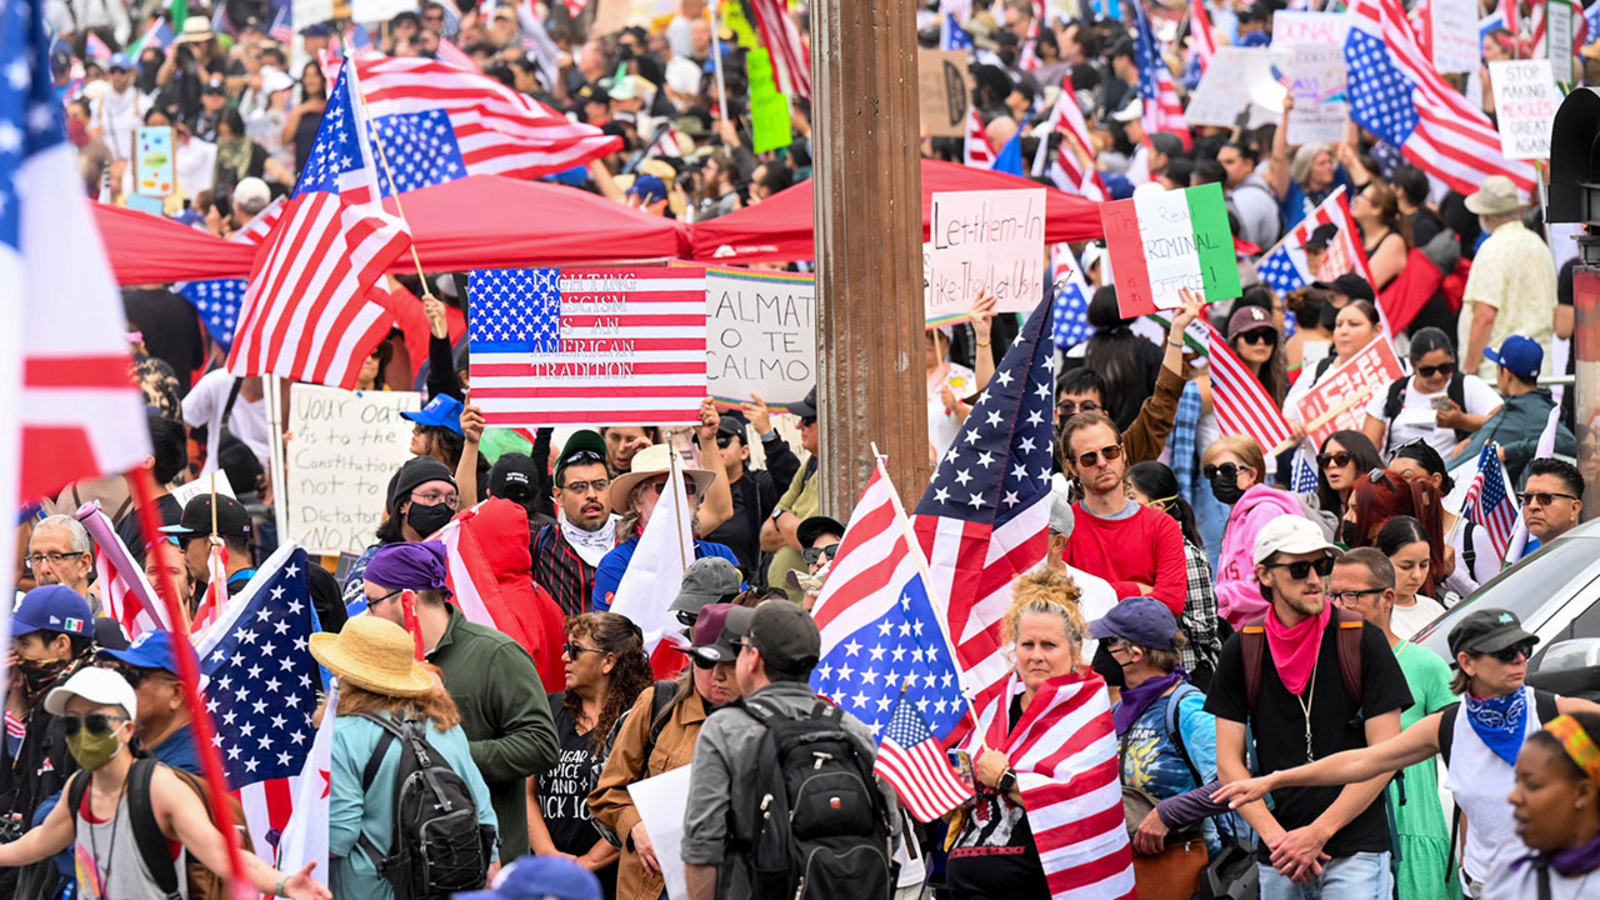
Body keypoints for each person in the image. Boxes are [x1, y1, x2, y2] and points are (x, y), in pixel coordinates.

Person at [1212, 608, 1600, 896]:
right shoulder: (1448, 727)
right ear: (1467, 662)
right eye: (1504, 652)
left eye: (1523, 649)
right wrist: (1275, 780)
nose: (1519, 660)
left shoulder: (1558, 717)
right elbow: (1363, 761)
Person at [1205, 516, 1411, 898]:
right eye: (1299, 569)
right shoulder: (1244, 647)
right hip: (1280, 852)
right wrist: (1279, 840)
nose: (1316, 579)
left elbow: (1386, 756)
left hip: (1355, 846)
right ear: (1265, 574)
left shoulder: (1361, 639)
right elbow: (1228, 764)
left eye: (1322, 565)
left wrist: (1317, 833)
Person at [0, 668, 332, 900]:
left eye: (97, 722)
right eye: (72, 725)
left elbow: (223, 854)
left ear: (127, 729)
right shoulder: (79, 789)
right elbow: (40, 842)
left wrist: (284, 883)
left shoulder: (160, 788)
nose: (82, 734)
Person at [681, 600, 899, 900]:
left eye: (741, 647)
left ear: (753, 658)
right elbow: (890, 829)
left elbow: (703, 845)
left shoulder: (726, 728)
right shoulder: (851, 729)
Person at [359, 541, 559, 863]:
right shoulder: (381, 662)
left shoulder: (496, 655)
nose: (368, 615)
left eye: (373, 603)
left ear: (408, 598)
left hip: (485, 862)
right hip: (407, 865)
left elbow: (540, 745)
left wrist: (447, 755)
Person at [947, 569, 1129, 897]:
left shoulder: (1086, 712)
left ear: (1074, 651)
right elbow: (963, 779)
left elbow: (1082, 807)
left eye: (1049, 645)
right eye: (1027, 644)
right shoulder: (996, 711)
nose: (1036, 656)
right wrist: (954, 785)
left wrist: (1005, 779)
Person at [310, 616, 496, 899]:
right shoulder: (444, 725)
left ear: (345, 673)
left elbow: (338, 837)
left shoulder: (343, 734)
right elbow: (482, 811)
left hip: (369, 889)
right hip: (446, 884)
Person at [590, 604, 748, 900]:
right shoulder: (658, 705)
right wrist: (635, 826)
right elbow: (608, 791)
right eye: (706, 661)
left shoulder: (767, 724)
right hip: (651, 884)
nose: (717, 675)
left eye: (730, 663)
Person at [1333, 549, 1458, 897]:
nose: (1340, 605)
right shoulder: (1322, 669)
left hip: (1412, 829)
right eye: (1333, 595)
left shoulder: (1425, 665)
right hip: (1342, 835)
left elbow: (1464, 759)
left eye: (1352, 595)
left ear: (1387, 598)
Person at [1095, 597, 1224, 885]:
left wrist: (1168, 813)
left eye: (1109, 643)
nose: (1101, 654)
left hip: (1185, 867)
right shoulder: (1118, 710)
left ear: (1135, 653)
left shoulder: (1188, 708)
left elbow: (1234, 785)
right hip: (1128, 869)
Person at [528, 614, 652, 892]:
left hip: (612, 881)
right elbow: (526, 792)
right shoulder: (548, 709)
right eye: (566, 648)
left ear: (609, 661)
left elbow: (643, 806)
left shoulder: (639, 718)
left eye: (575, 650)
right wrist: (549, 855)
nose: (565, 658)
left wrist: (587, 862)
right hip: (548, 877)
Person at [1058, 411, 1186, 617]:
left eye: (1110, 452)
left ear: (1123, 453)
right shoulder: (1063, 527)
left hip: (1146, 638)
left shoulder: (1163, 525)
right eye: (1089, 458)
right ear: (1073, 467)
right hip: (1084, 638)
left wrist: (1095, 595)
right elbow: (1058, 600)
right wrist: (1136, 589)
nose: (1102, 462)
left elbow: (1171, 603)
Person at [594, 443, 737, 610]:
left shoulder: (720, 555)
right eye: (663, 487)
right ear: (637, 501)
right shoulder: (616, 565)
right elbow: (612, 626)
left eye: (688, 488)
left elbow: (742, 613)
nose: (678, 494)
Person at [1124, 461, 1221, 684]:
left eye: (1130, 498)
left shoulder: (1186, 555)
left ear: (1157, 507)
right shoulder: (1137, 547)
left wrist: (1160, 602)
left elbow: (1205, 628)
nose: (1122, 506)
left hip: (1187, 675)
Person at [1485, 712, 1600, 898]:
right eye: (1517, 782)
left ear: (1584, 793)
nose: (1513, 797)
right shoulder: (1511, 871)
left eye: (1532, 785)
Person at [1203, 435, 1310, 628]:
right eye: (1211, 472)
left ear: (1252, 475)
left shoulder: (1263, 514)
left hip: (1264, 630)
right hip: (1241, 629)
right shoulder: (1237, 516)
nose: (1218, 478)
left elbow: (1269, 582)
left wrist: (1217, 597)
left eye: (1227, 470)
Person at [1458, 176, 1557, 380]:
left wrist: (1469, 370)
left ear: (1486, 215)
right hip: (1539, 368)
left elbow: (1484, 315)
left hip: (1501, 374)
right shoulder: (1539, 245)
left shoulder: (1492, 249)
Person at [1448, 336, 1577, 484]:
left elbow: (1569, 443)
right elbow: (1507, 427)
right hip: (1452, 479)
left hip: (1460, 488)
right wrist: (1474, 438)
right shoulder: (1518, 403)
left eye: (1497, 367)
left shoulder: (1534, 410)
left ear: (1507, 373)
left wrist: (1508, 451)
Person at [697, 402, 800, 584]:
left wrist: (768, 435)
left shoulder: (759, 486)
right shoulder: (694, 493)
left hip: (751, 589)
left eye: (722, 441)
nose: (716, 448)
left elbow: (792, 482)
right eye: (704, 443)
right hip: (705, 587)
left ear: (745, 452)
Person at [341, 456, 458, 611]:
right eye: (431, 496)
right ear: (404, 504)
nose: (442, 506)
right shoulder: (374, 563)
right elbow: (355, 618)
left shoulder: (451, 561)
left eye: (451, 500)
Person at [1361, 327, 1501, 457]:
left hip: (1449, 470)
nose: (1437, 376)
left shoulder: (1467, 386)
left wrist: (1463, 421)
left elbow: (1505, 421)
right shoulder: (1391, 392)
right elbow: (1367, 450)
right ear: (1413, 366)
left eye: (1445, 368)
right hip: (1397, 470)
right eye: (1427, 371)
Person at [1389, 440, 1495, 595]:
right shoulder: (1390, 534)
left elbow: (1495, 597)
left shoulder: (1471, 535)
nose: (1398, 488)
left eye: (1407, 477)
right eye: (1391, 481)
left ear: (1435, 480)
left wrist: (1453, 573)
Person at [530, 431, 619, 617]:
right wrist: (472, 446)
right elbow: (469, 527)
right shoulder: (541, 541)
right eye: (579, 487)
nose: (592, 494)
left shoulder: (637, 537)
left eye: (600, 484)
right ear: (558, 496)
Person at [95, 631, 198, 773]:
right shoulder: (128, 742)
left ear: (176, 694)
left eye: (133, 677)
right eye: (121, 673)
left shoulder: (189, 768)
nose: (122, 685)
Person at [762, 387, 821, 601]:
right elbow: (766, 537)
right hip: (786, 604)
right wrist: (790, 526)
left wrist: (781, 517)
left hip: (809, 605)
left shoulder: (836, 473)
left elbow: (808, 539)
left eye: (808, 420)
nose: (798, 425)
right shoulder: (810, 464)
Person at [161, 494, 255, 601]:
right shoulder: (260, 586)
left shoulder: (230, 604)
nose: (181, 550)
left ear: (214, 544)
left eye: (184, 541)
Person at [1375, 517, 1449, 639]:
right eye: (1406, 567)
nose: (1417, 575)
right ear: (1382, 561)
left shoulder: (1434, 609)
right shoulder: (1372, 615)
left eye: (1423, 565)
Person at [1218, 139, 1282, 248]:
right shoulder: (1242, 192)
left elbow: (1242, 248)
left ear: (1248, 164)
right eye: (1219, 163)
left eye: (1229, 162)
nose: (1222, 168)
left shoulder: (1249, 198)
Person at [1350, 182, 1409, 291]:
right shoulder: (1358, 236)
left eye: (1363, 197)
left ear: (1376, 209)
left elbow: (1363, 288)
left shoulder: (1393, 242)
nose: (1356, 199)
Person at [1228, 304, 1288, 407]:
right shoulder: (1219, 384)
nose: (1261, 342)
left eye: (1268, 336)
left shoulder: (1279, 384)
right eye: (1252, 336)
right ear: (1235, 342)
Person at [1315, 430, 1382, 521]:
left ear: (1360, 460)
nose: (1331, 465)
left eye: (1341, 458)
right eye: (1325, 459)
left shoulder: (1383, 507)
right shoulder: (1316, 511)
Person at [1520, 457, 1586, 548]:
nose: (1532, 506)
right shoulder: (1520, 553)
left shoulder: (1593, 554)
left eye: (1545, 498)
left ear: (1574, 509)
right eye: (1527, 498)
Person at [25, 514, 95, 600]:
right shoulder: (23, 608)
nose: (43, 569)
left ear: (84, 564)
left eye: (56, 557)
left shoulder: (107, 608)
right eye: (37, 558)